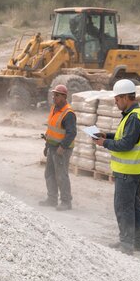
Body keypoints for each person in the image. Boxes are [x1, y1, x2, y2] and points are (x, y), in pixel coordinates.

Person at [92, 79, 140, 254]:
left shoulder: (133, 118)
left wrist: (105, 143)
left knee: (123, 207)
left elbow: (126, 144)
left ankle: (126, 245)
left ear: (125, 97)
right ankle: (139, 243)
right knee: (133, 206)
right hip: (135, 170)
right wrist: (106, 135)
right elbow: (123, 136)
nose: (116, 103)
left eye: (117, 99)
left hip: (127, 171)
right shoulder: (135, 115)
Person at [39, 83, 77, 211]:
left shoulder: (68, 113)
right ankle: (52, 199)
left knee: (61, 175)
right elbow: (51, 129)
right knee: (49, 173)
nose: (54, 97)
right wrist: (46, 145)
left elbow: (72, 133)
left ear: (64, 97)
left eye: (57, 95)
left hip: (62, 149)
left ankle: (66, 202)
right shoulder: (54, 108)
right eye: (53, 95)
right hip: (52, 147)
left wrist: (63, 147)